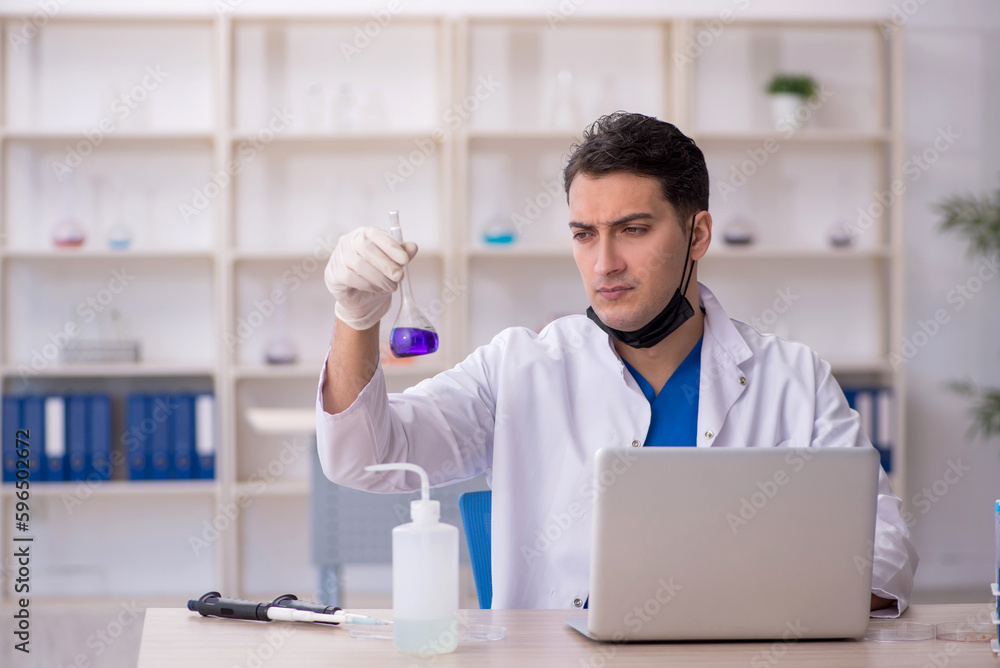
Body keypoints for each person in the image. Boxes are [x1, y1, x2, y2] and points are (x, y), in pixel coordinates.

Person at [317, 112, 917, 615]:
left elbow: (885, 550)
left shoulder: (793, 379)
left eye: (632, 230)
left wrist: (752, 606)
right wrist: (356, 318)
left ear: (698, 234)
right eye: (584, 234)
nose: (604, 263)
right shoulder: (519, 367)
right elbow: (364, 459)